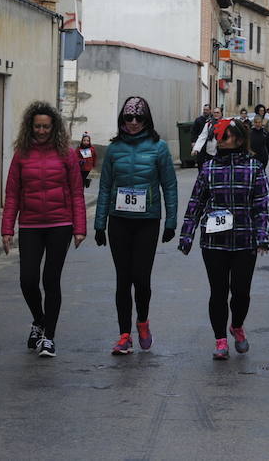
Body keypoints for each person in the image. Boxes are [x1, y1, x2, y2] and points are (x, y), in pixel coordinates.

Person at [178, 118, 269, 360]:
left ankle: (237, 326)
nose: (221, 141)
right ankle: (220, 339)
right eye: (218, 137)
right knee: (218, 292)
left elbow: (262, 205)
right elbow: (196, 203)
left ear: (239, 139)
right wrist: (186, 235)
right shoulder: (208, 168)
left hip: (244, 240)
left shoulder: (254, 168)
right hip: (214, 242)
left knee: (241, 292)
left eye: (226, 137)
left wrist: (262, 236)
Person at [1, 101, 86, 358]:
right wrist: (7, 229)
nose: (41, 131)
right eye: (37, 126)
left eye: (45, 127)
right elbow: (12, 194)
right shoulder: (21, 154)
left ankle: (49, 337)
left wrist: (79, 228)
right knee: (27, 279)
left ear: (54, 127)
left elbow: (76, 193)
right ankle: (39, 319)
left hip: (60, 224)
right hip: (30, 225)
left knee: (51, 280)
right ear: (30, 127)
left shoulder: (67, 154)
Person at [95, 96, 178, 355]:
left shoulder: (159, 147)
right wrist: (99, 224)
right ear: (122, 119)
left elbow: (169, 186)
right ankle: (124, 335)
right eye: (128, 118)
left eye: (138, 118)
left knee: (141, 279)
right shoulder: (114, 149)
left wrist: (171, 221)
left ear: (146, 120)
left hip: (147, 222)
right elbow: (106, 187)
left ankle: (142, 321)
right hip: (118, 221)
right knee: (123, 280)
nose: (132, 122)